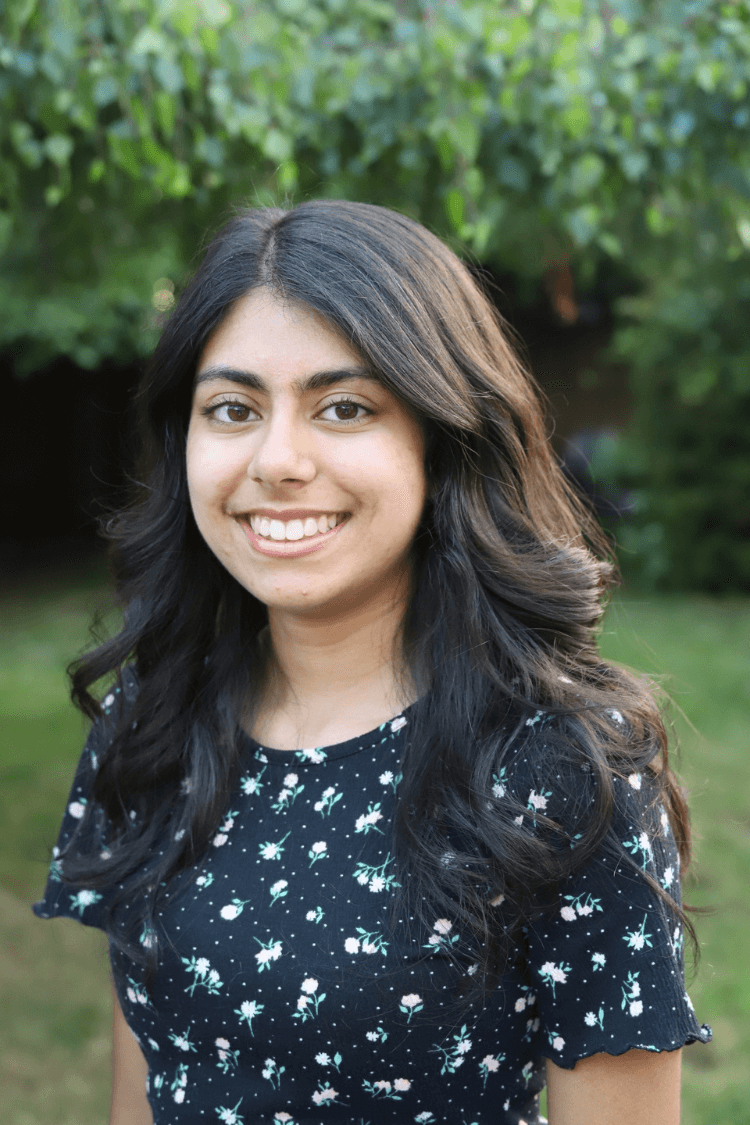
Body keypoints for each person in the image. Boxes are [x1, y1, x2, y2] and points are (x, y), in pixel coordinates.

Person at [34, 200, 711, 1125]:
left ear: (441, 437)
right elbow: (143, 1085)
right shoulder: (152, 717)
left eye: (344, 407)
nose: (277, 459)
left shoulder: (562, 764)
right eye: (231, 408)